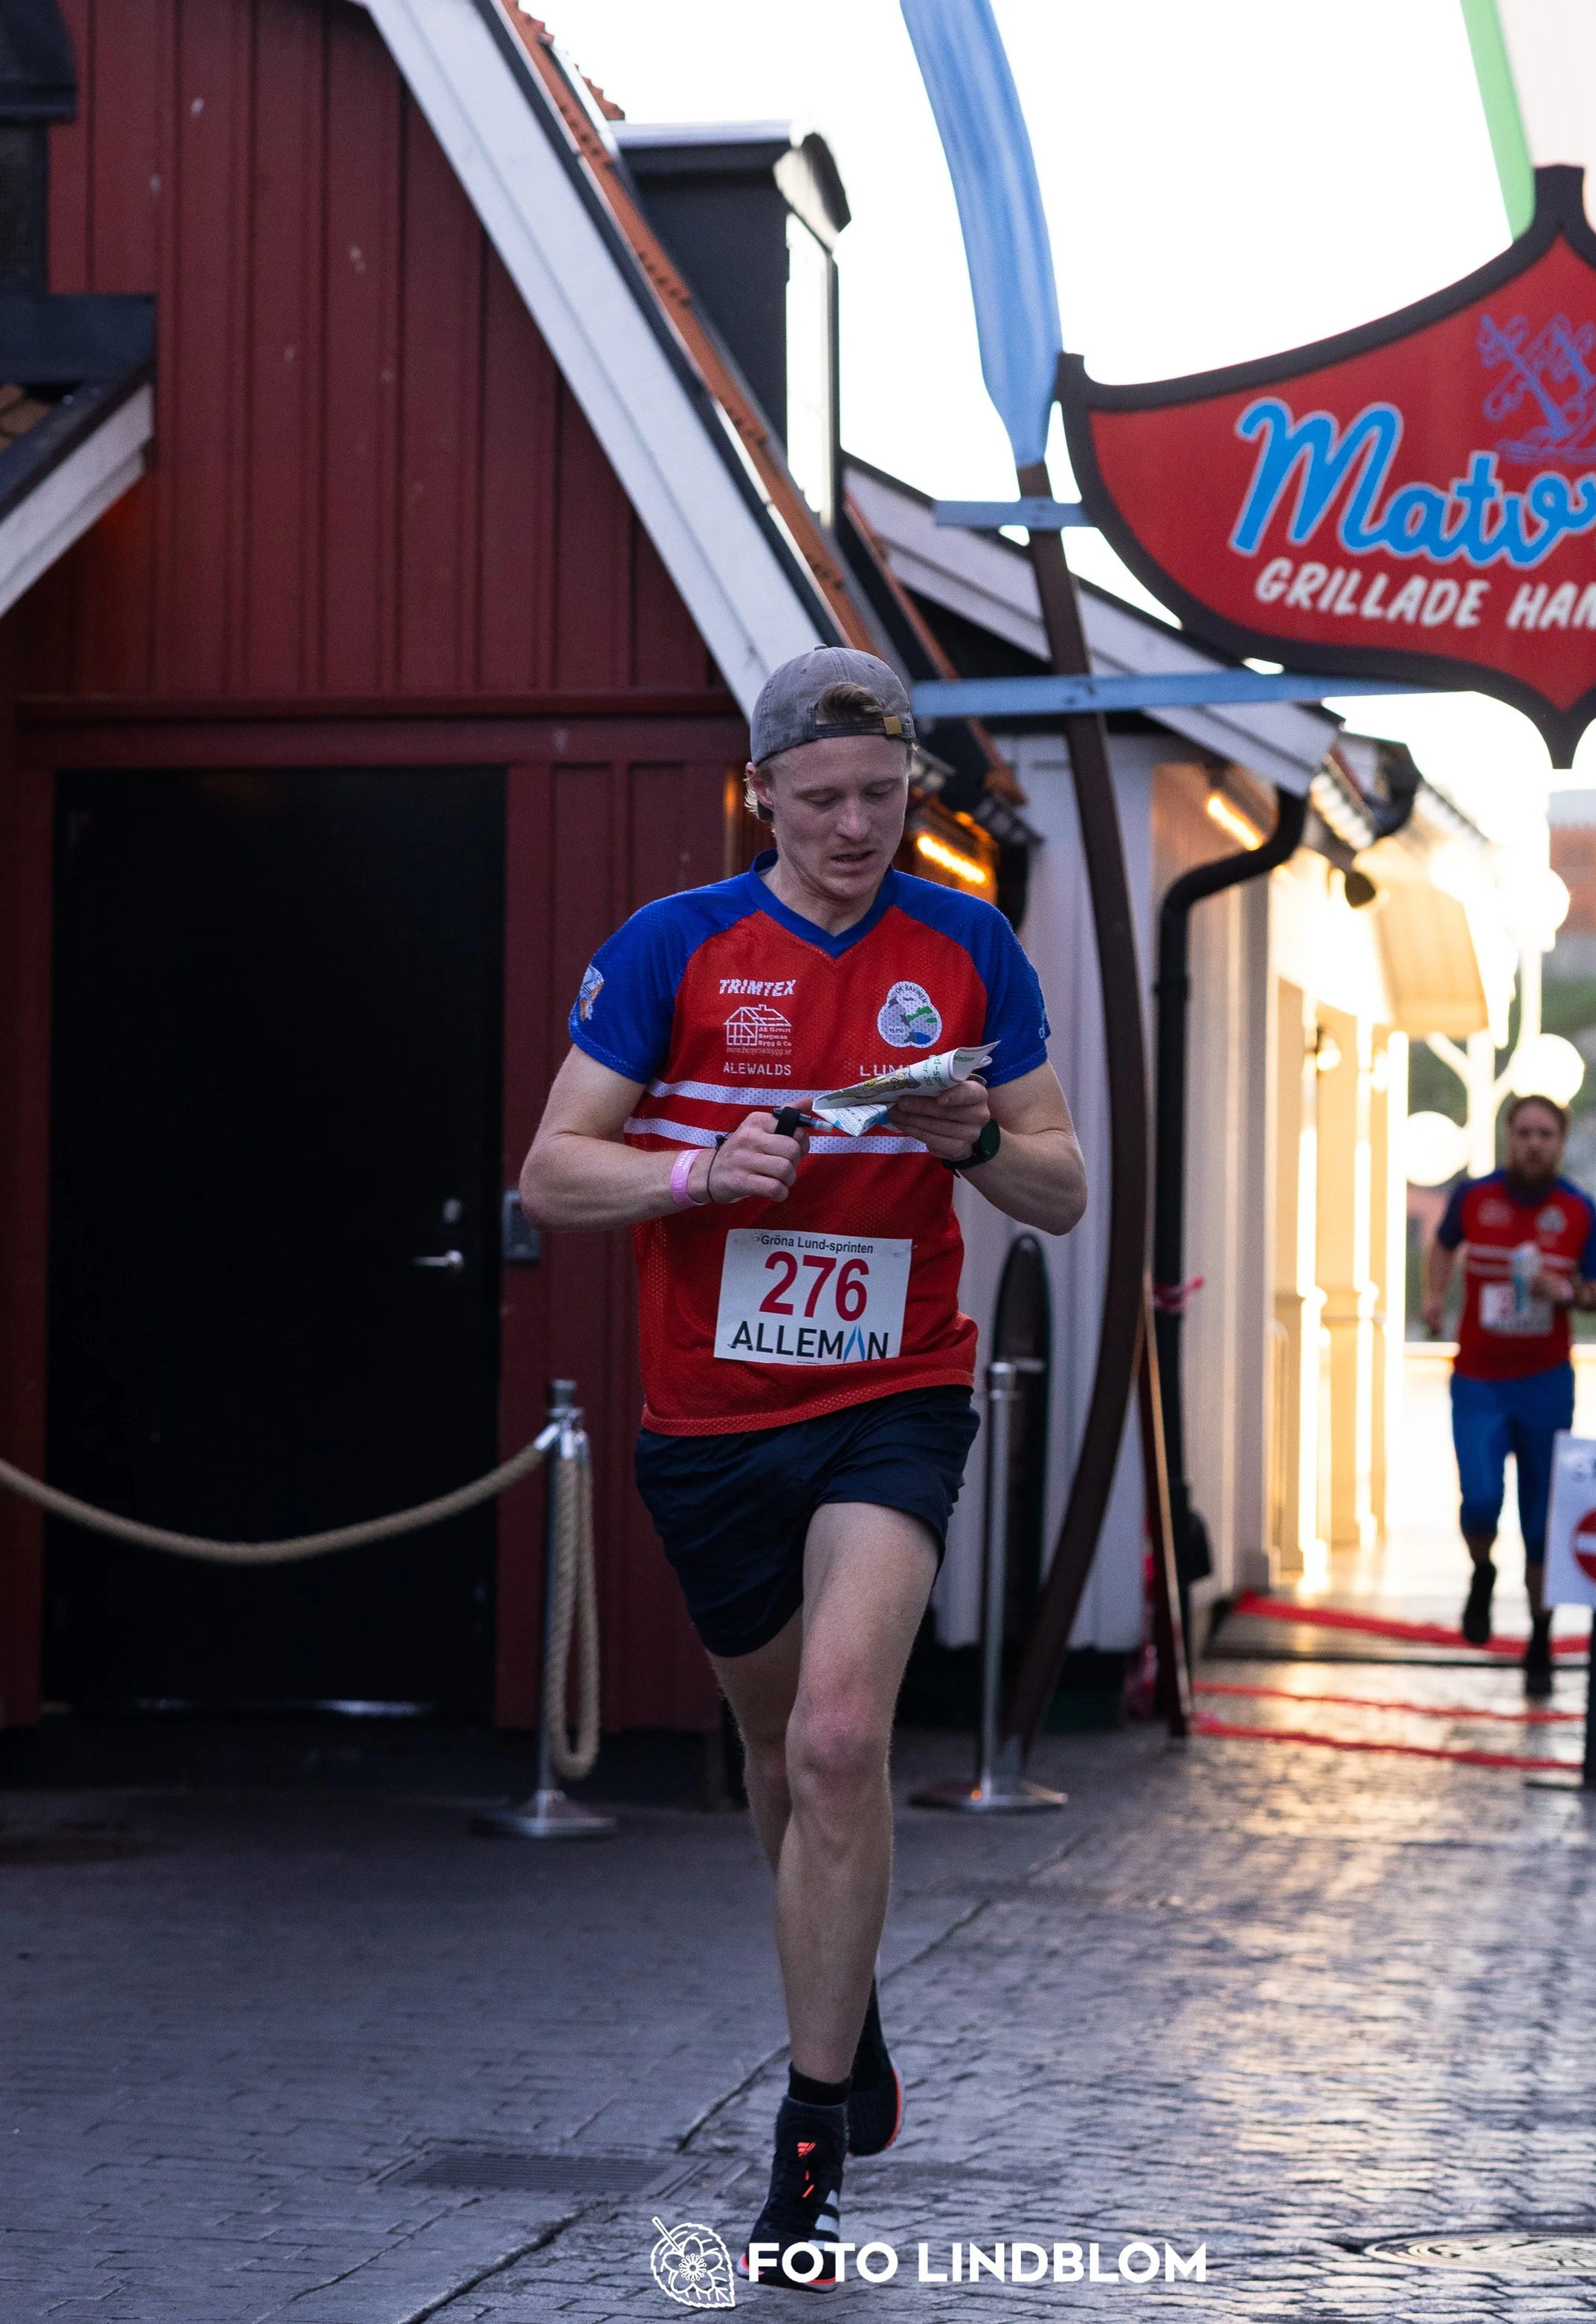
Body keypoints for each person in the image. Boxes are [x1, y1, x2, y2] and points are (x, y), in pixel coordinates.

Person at [519, 645, 1087, 2287]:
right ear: (758, 791)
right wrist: (699, 1169)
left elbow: (1055, 1185)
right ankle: (854, 2003)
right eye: (821, 797)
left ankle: (810, 2130)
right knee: (778, 1754)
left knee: (844, 1734)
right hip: (710, 1420)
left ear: (915, 785)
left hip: (893, 1394)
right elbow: (555, 1171)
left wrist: (968, 1136)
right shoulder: (673, 948)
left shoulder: (965, 947)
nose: (854, 826)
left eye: (881, 793)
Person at [1420, 1093, 1596, 1696]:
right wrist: (1434, 1297)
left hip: (1546, 1383)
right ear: (1508, 1136)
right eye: (1525, 1132)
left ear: (1561, 1141)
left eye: (1546, 1134)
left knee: (1540, 1520)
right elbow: (1444, 1243)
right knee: (1479, 1497)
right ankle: (1481, 1571)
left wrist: (1566, 1291)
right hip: (1479, 1378)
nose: (1534, 1143)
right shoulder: (1475, 1197)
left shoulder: (1579, 1210)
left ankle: (1540, 1634)